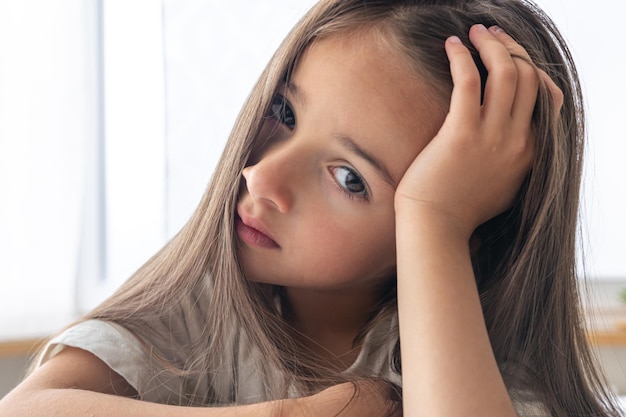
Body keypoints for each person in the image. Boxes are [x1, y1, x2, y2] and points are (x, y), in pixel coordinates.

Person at [0, 0, 622, 416]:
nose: (261, 175)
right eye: (286, 113)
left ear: (472, 222)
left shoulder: (489, 368)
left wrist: (433, 220)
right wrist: (298, 414)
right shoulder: (202, 306)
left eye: (349, 178)